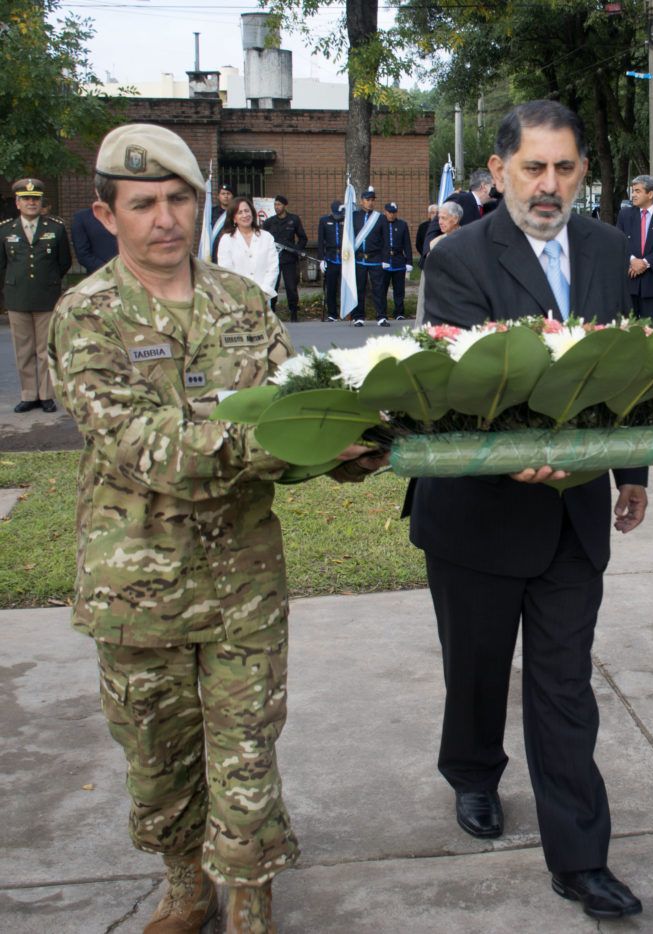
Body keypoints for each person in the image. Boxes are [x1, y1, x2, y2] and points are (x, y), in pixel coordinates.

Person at [48, 122, 384, 934]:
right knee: (158, 760)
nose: (164, 218)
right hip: (139, 585)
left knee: (244, 750)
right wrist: (274, 443)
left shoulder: (242, 303)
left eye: (178, 200)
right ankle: (186, 885)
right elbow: (142, 447)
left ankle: (250, 902)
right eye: (143, 204)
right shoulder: (85, 318)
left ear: (201, 205)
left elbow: (299, 406)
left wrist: (354, 445)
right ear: (108, 214)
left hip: (242, 581)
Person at [409, 99, 648, 921]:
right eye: (533, 168)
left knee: (564, 687)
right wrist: (517, 455)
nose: (549, 186)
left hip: (572, 517)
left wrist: (631, 471)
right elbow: (464, 379)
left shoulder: (612, 250)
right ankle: (473, 775)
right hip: (477, 516)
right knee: (475, 672)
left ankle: (581, 861)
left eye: (565, 168)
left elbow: (629, 375)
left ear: (583, 173)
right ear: (499, 172)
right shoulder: (459, 257)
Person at [0, 178, 71, 413]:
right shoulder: (5, 230)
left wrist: (48, 283)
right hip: (17, 298)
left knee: (45, 350)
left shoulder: (56, 229)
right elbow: (2, 265)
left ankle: (46, 395)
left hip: (46, 297)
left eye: (35, 199)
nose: (31, 203)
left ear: (41, 202)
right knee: (23, 349)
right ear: (18, 203)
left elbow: (64, 262)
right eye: (26, 199)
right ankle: (29, 394)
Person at [615, 174, 653, 323]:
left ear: (650, 194)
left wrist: (645, 263)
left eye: (637, 191)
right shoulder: (625, 215)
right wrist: (632, 260)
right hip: (629, 282)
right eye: (632, 190)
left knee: (649, 330)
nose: (633, 195)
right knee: (627, 330)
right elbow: (618, 241)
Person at [216, 195, 280, 302]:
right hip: (237, 299)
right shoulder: (226, 240)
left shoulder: (266, 237)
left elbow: (273, 268)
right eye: (240, 212)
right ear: (234, 218)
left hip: (262, 298)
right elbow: (225, 271)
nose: (245, 215)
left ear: (252, 213)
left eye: (247, 211)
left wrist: (262, 293)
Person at [414, 201, 462, 325]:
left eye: (443, 218)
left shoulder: (468, 239)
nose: (440, 222)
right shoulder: (435, 243)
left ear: (455, 219)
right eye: (439, 218)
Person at [262, 194, 308, 322]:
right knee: (272, 287)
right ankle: (271, 312)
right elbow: (262, 239)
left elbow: (303, 238)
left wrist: (297, 250)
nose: (277, 207)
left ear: (285, 205)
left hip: (289, 259)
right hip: (273, 260)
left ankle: (293, 312)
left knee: (291, 287)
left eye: (279, 205)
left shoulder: (294, 220)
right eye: (275, 205)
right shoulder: (269, 222)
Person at [350, 188, 388, 326]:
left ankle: (381, 316)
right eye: (368, 200)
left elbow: (385, 241)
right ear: (361, 201)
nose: (370, 203)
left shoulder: (380, 218)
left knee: (378, 288)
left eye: (372, 200)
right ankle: (358, 316)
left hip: (375, 258)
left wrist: (385, 260)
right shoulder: (354, 216)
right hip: (359, 258)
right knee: (359, 288)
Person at [377, 201, 413, 320]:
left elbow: (407, 244)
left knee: (399, 289)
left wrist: (409, 261)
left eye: (394, 212)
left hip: (398, 261)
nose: (392, 215)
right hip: (384, 260)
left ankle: (399, 312)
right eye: (390, 212)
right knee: (382, 289)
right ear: (385, 212)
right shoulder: (380, 223)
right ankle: (382, 313)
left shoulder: (402, 224)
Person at [318, 198, 345, 321]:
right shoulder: (324, 221)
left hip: (345, 259)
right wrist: (321, 260)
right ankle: (332, 313)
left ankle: (346, 312)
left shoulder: (347, 220)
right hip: (331, 257)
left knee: (346, 287)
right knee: (331, 287)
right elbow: (321, 241)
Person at [71, 205, 118, 274]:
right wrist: (109, 270)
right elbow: (83, 253)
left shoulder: (130, 213)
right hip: (101, 277)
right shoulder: (82, 217)